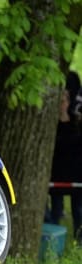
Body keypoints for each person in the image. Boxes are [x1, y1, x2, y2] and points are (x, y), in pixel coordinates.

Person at [47, 85, 82, 244]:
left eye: (64, 101)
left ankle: (79, 241)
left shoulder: (77, 122)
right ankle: (54, 242)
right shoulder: (50, 125)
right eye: (59, 101)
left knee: (78, 211)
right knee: (56, 210)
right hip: (57, 172)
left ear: (68, 102)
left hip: (76, 172)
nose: (62, 104)